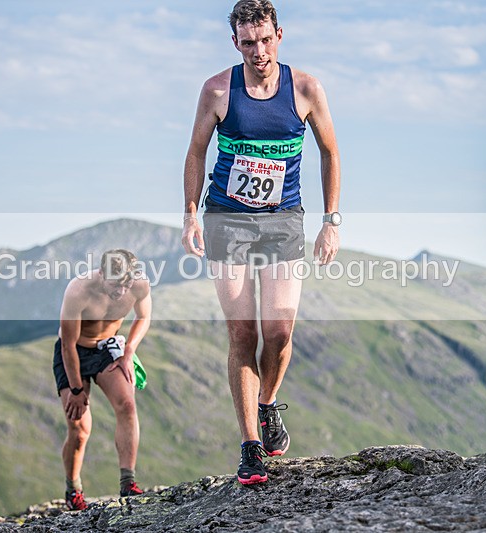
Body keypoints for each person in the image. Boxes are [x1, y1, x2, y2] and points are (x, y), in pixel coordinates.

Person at [181, 0, 341, 485]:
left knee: (279, 333)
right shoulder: (217, 90)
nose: (259, 51)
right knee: (242, 335)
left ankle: (267, 403)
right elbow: (196, 152)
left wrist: (331, 221)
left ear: (279, 35)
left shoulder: (306, 89)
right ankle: (251, 446)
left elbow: (330, 152)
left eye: (265, 40)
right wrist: (190, 213)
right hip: (226, 220)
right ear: (235, 42)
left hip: (283, 221)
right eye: (248, 43)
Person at [53, 249, 152, 509]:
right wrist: (76, 390)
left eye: (126, 284)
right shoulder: (78, 290)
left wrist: (128, 352)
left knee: (127, 405)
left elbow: (144, 316)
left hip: (107, 350)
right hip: (74, 351)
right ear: (101, 273)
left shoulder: (139, 285)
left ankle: (128, 483)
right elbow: (68, 346)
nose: (121, 291)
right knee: (80, 429)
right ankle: (73, 489)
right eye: (115, 284)